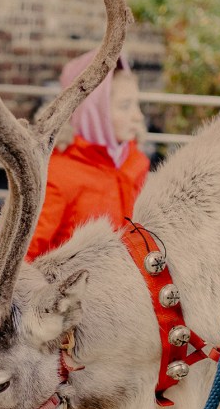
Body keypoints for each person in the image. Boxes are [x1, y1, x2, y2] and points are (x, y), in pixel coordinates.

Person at [26, 52, 149, 260]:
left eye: (137, 104)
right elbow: (19, 257)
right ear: (93, 110)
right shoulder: (58, 175)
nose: (138, 116)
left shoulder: (136, 162)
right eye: (125, 106)